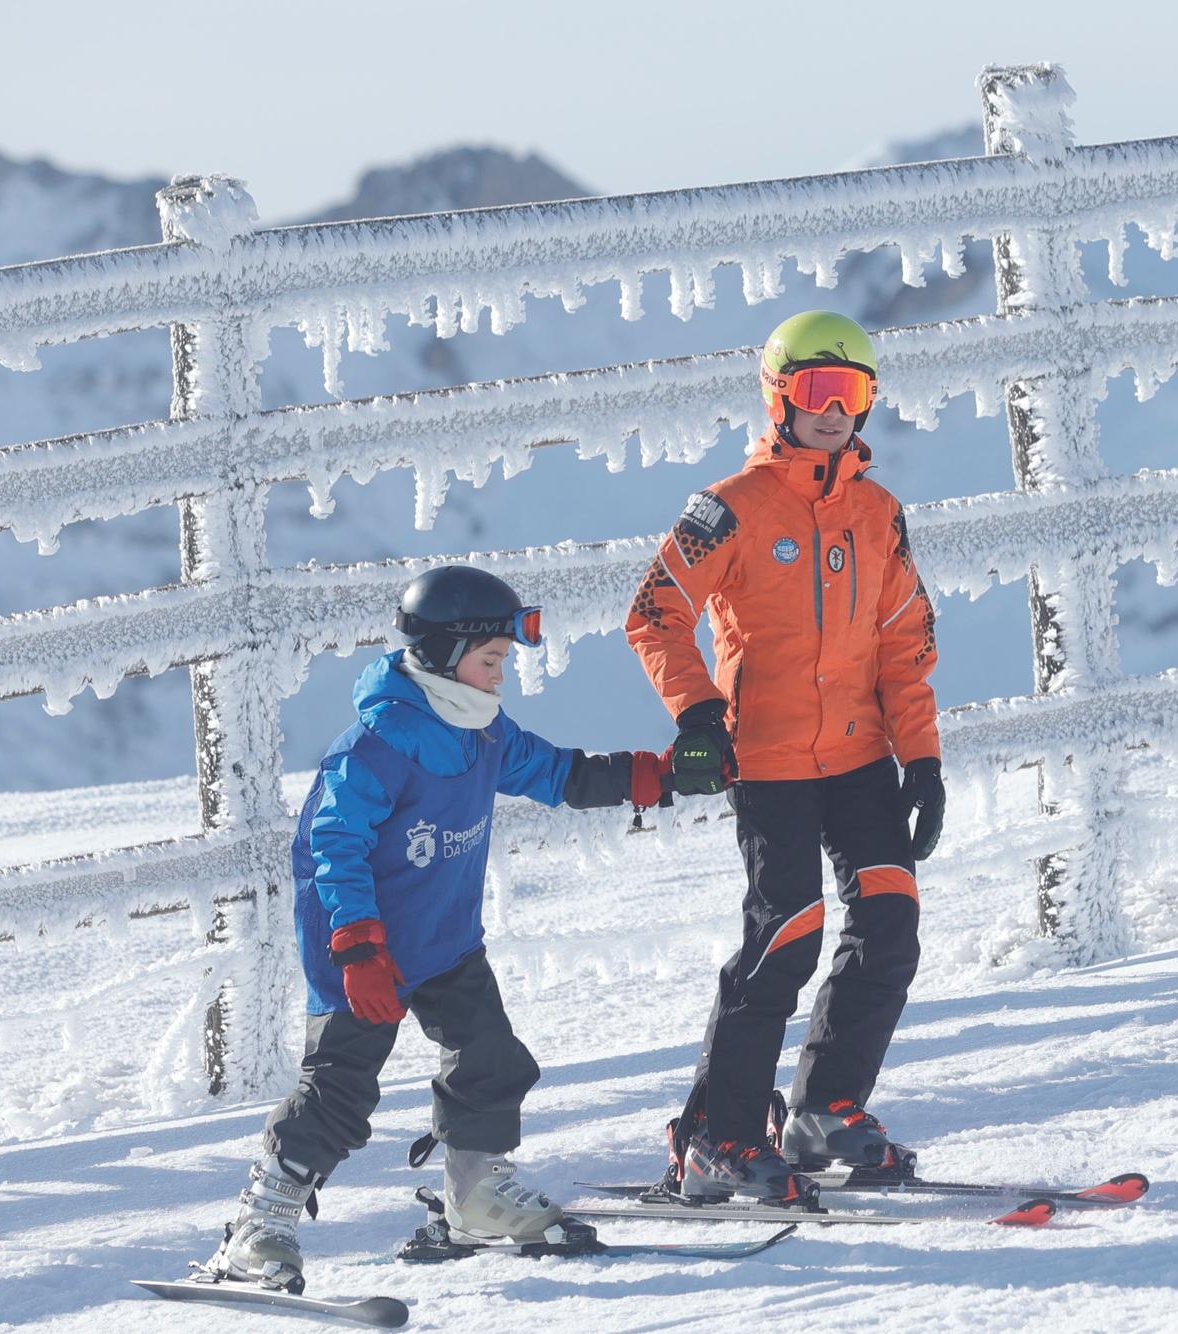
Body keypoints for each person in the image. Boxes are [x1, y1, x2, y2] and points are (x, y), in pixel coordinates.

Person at [211, 565, 674, 1290]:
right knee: (340, 1089)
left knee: (489, 1058)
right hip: (362, 949)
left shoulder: (481, 729)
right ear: (442, 654)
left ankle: (477, 1197)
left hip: (444, 940)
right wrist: (358, 944)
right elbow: (334, 847)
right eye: (491, 660)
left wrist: (651, 776)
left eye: (502, 662)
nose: (501, 676)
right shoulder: (375, 747)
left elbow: (554, 773)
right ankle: (260, 1225)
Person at [624, 310, 945, 1206]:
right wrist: (696, 712)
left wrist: (920, 759)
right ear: (780, 396)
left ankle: (825, 1110)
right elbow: (654, 612)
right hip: (765, 760)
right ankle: (718, 1138)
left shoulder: (879, 514)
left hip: (860, 756)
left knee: (889, 923)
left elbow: (905, 639)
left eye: (852, 393)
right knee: (785, 939)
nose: (834, 411)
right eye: (816, 391)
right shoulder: (728, 507)